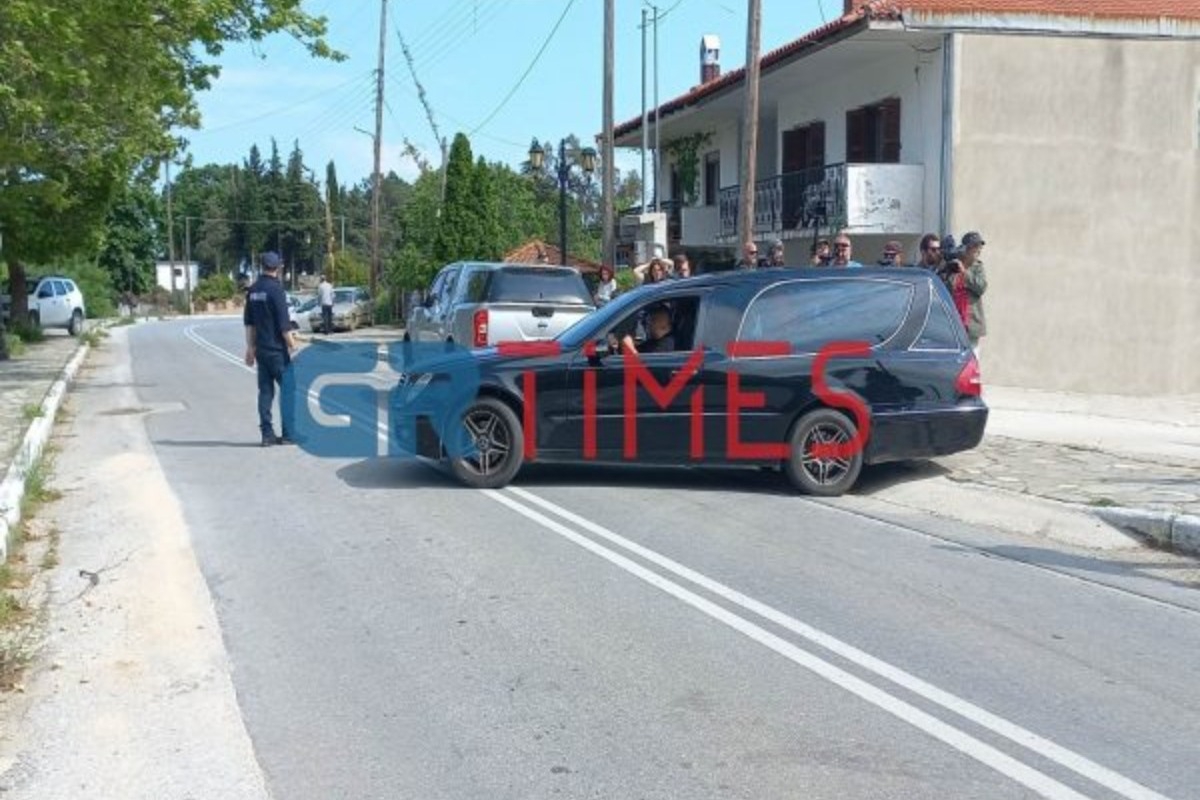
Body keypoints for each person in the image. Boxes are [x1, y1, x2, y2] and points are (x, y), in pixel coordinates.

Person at [244, 251, 298, 447]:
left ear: (262, 266)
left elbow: (250, 323)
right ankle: (289, 434)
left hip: (261, 351)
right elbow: (284, 326)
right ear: (278, 268)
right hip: (277, 350)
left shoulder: (253, 290)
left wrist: (250, 348)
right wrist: (294, 346)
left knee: (265, 392)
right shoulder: (276, 290)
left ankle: (267, 435)